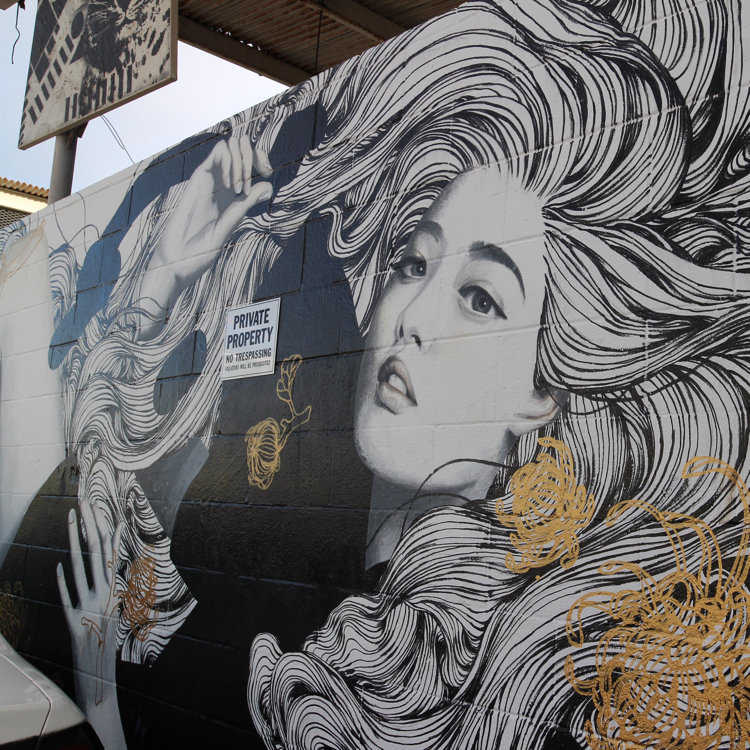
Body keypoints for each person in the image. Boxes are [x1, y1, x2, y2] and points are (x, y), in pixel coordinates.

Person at [43, 0, 750, 747]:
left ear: (541, 393)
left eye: (480, 298)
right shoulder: (290, 541)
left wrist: (100, 701)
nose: (411, 315)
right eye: (414, 263)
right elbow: (95, 491)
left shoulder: (488, 676)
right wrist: (162, 278)